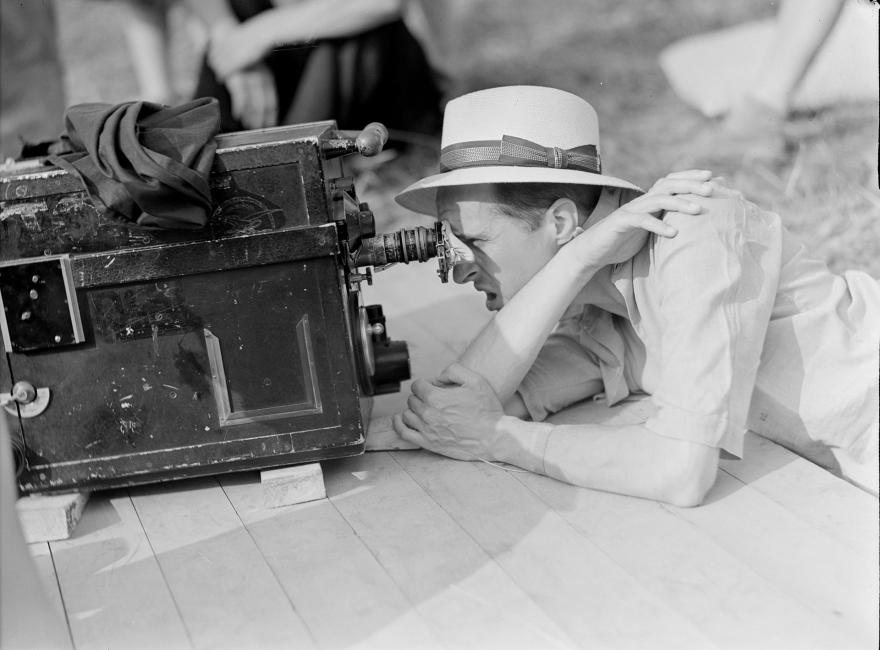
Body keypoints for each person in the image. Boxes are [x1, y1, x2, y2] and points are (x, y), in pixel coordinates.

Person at [390, 85, 879, 505]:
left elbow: (680, 471)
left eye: (473, 241)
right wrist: (575, 260)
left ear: (560, 223)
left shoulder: (692, 230)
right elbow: (456, 404)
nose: (456, 270)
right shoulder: (593, 306)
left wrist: (498, 440)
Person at [184, 0, 443, 134]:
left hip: (372, 86)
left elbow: (386, 3)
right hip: (285, 70)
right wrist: (227, 35)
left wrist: (262, 33)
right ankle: (195, 159)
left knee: (349, 30)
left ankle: (293, 161)